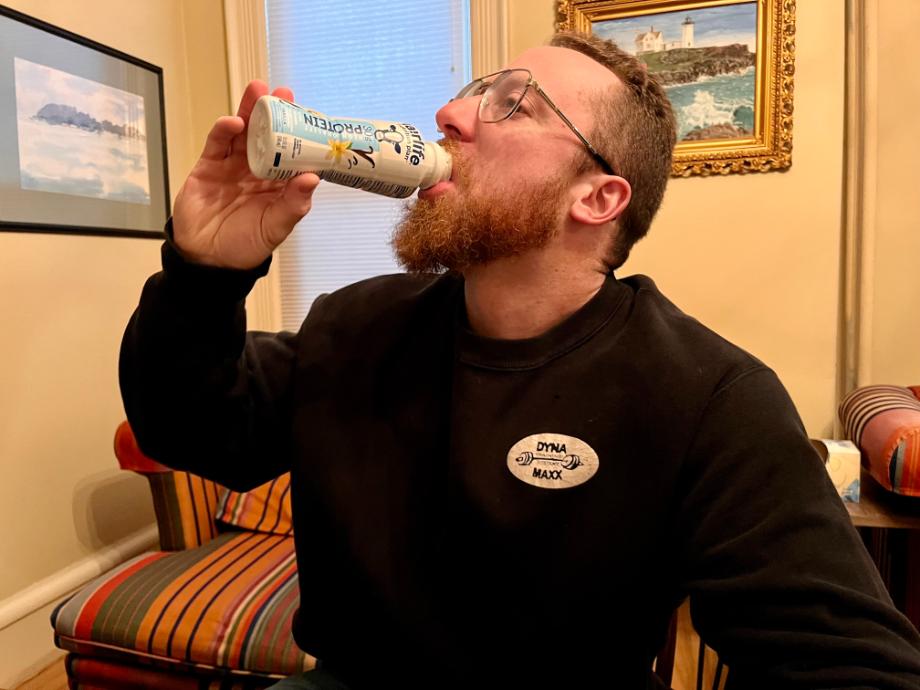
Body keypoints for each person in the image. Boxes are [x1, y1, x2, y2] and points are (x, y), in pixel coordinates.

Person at [119, 31, 920, 689]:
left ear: (598, 198)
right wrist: (203, 274)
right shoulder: (353, 325)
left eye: (513, 105)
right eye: (474, 91)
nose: (449, 114)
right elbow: (191, 427)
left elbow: (849, 665)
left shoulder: (709, 394)